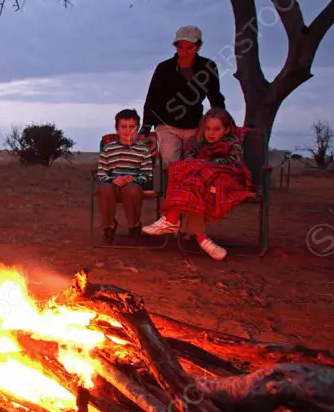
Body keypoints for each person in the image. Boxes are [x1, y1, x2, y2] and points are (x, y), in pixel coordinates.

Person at [141, 107, 252, 261]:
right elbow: (188, 159)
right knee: (187, 176)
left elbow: (232, 163)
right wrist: (199, 164)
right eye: (207, 128)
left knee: (196, 177)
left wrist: (203, 164)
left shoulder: (233, 143)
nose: (211, 133)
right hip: (201, 182)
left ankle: (172, 218)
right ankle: (202, 240)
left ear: (226, 130)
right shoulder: (197, 143)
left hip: (226, 179)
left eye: (216, 129)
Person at [139, 25, 227, 167]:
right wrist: (145, 129)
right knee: (171, 164)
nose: (184, 52)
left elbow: (215, 97)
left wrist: (223, 122)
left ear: (199, 47)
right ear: (176, 46)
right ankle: (169, 187)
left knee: (196, 163)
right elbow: (152, 99)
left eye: (189, 48)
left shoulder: (208, 67)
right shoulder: (164, 68)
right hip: (167, 126)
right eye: (181, 47)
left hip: (195, 126)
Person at [95, 109, 155, 244]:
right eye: (123, 127)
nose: (128, 131)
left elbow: (147, 174)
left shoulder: (143, 150)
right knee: (104, 189)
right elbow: (101, 173)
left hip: (133, 186)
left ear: (138, 129)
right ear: (117, 129)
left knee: (132, 189)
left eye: (132, 127)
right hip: (112, 186)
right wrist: (112, 179)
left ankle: (133, 226)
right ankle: (109, 226)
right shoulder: (108, 149)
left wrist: (134, 179)